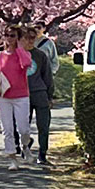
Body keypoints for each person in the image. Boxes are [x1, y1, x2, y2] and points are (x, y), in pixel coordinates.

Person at [0, 28, 38, 170]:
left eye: (12, 36)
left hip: (21, 96)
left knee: (23, 129)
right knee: (7, 129)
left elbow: (26, 64)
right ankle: (12, 158)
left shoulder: (23, 54)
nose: (9, 38)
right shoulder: (0, 55)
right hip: (4, 96)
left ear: (18, 38)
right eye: (6, 35)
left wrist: (19, 48)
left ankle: (25, 146)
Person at [28, 30, 60, 166]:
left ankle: (42, 153)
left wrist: (49, 95)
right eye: (26, 38)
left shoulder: (40, 55)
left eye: (32, 38)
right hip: (22, 95)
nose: (30, 41)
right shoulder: (17, 55)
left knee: (43, 126)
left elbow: (48, 76)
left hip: (40, 93)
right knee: (23, 126)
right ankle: (25, 144)